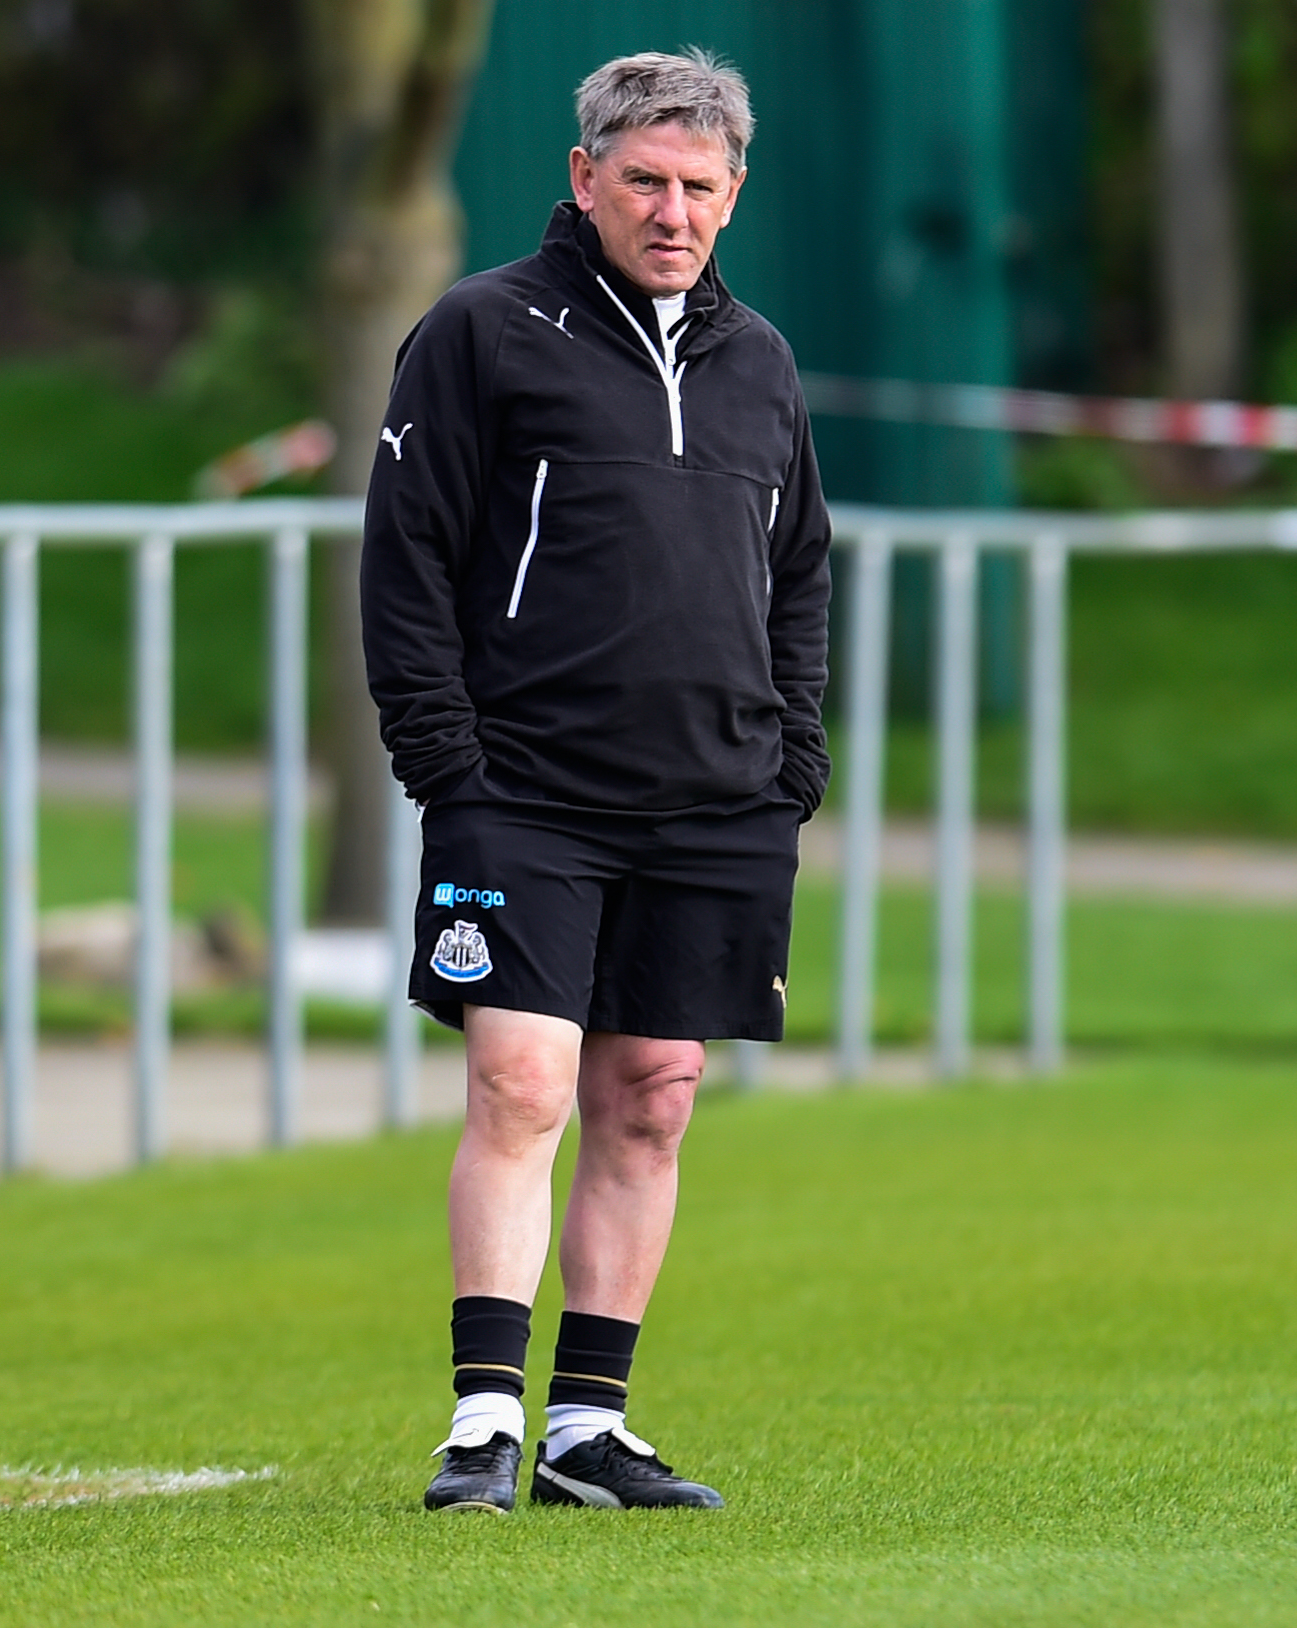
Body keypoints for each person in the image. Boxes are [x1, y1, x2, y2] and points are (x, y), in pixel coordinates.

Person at [362, 48, 831, 1514]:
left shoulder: (762, 362)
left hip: (717, 800)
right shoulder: (481, 329)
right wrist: (443, 759)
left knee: (655, 1100)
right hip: (520, 791)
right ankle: (482, 1423)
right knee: (521, 1084)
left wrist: (793, 759)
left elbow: (800, 572)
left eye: (699, 186)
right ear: (584, 178)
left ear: (734, 193)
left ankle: (586, 1433)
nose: (671, 212)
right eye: (643, 181)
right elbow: (406, 558)